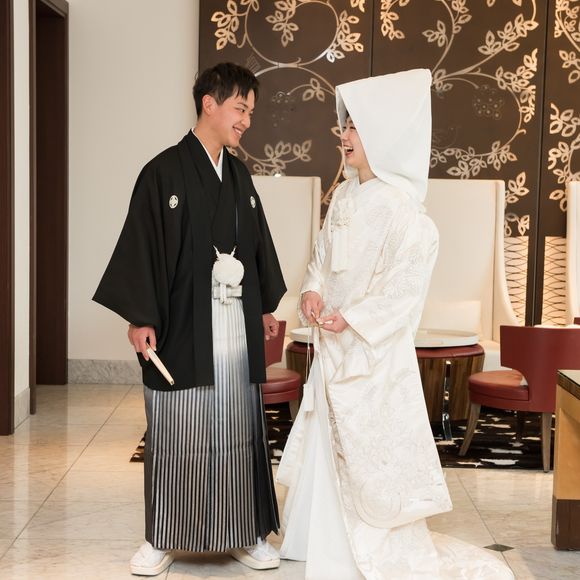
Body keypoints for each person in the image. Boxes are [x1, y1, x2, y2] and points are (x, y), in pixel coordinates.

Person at [277, 70, 514, 579]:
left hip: (371, 351)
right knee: (326, 437)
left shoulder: (405, 212)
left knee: (370, 449)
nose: (344, 135)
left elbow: (403, 289)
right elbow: (321, 258)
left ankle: (361, 542)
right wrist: (313, 290)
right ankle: (317, 536)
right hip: (332, 347)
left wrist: (353, 318)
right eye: (344, 126)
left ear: (381, 135)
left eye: (355, 127)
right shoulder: (343, 197)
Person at [93, 62, 286, 576]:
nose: (246, 121)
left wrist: (264, 305)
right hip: (183, 324)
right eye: (240, 108)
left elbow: (257, 244)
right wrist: (140, 317)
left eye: (250, 112)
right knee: (178, 429)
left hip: (234, 326)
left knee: (237, 427)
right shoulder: (162, 172)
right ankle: (163, 537)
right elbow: (143, 245)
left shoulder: (239, 175)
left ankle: (243, 533)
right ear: (209, 103)